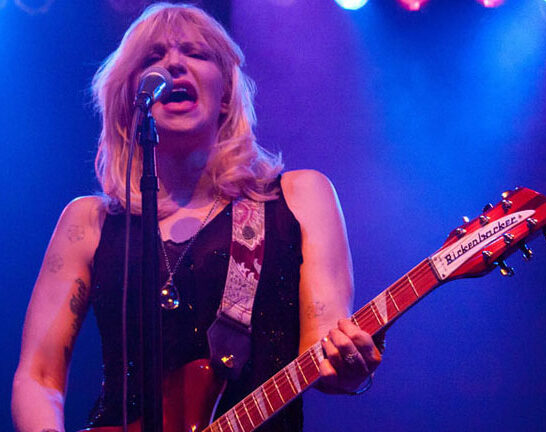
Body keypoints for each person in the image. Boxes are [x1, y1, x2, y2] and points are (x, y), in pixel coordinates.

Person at [11, 3, 382, 431]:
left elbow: (324, 343)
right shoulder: (88, 223)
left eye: (196, 53)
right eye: (152, 58)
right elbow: (38, 377)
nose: (173, 63)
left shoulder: (299, 197)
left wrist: (347, 366)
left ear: (225, 95)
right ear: (128, 99)